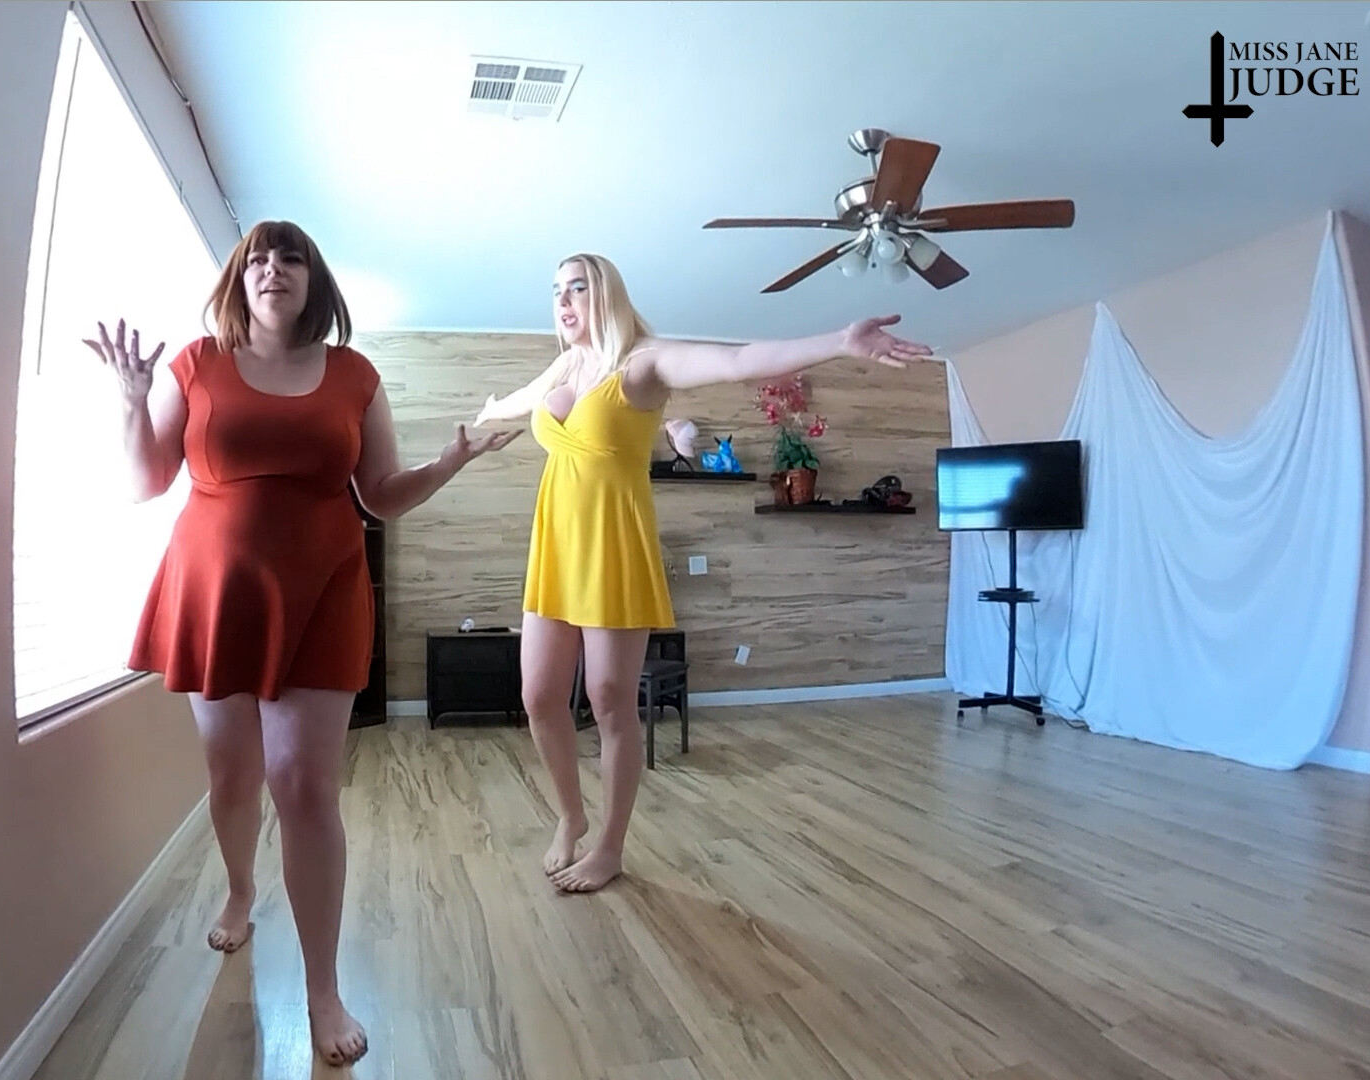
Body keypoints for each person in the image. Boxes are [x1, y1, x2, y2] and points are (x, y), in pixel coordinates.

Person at [87, 220, 517, 1066]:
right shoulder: (197, 363)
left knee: (304, 786)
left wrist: (452, 460)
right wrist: (131, 403)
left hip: (323, 590)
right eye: (257, 257)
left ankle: (323, 990)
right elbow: (144, 482)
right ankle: (240, 891)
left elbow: (380, 494)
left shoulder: (354, 375)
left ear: (313, 280)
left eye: (290, 257)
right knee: (232, 774)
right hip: (217, 593)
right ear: (237, 279)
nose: (273, 268)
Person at [472, 253, 930, 893]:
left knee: (609, 701)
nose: (563, 301)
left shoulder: (644, 363)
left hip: (614, 548)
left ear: (608, 294)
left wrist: (839, 341)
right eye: (556, 291)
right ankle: (571, 815)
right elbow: (527, 399)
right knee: (539, 698)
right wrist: (491, 412)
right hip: (554, 548)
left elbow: (738, 361)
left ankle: (609, 847)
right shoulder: (566, 365)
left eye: (577, 287)